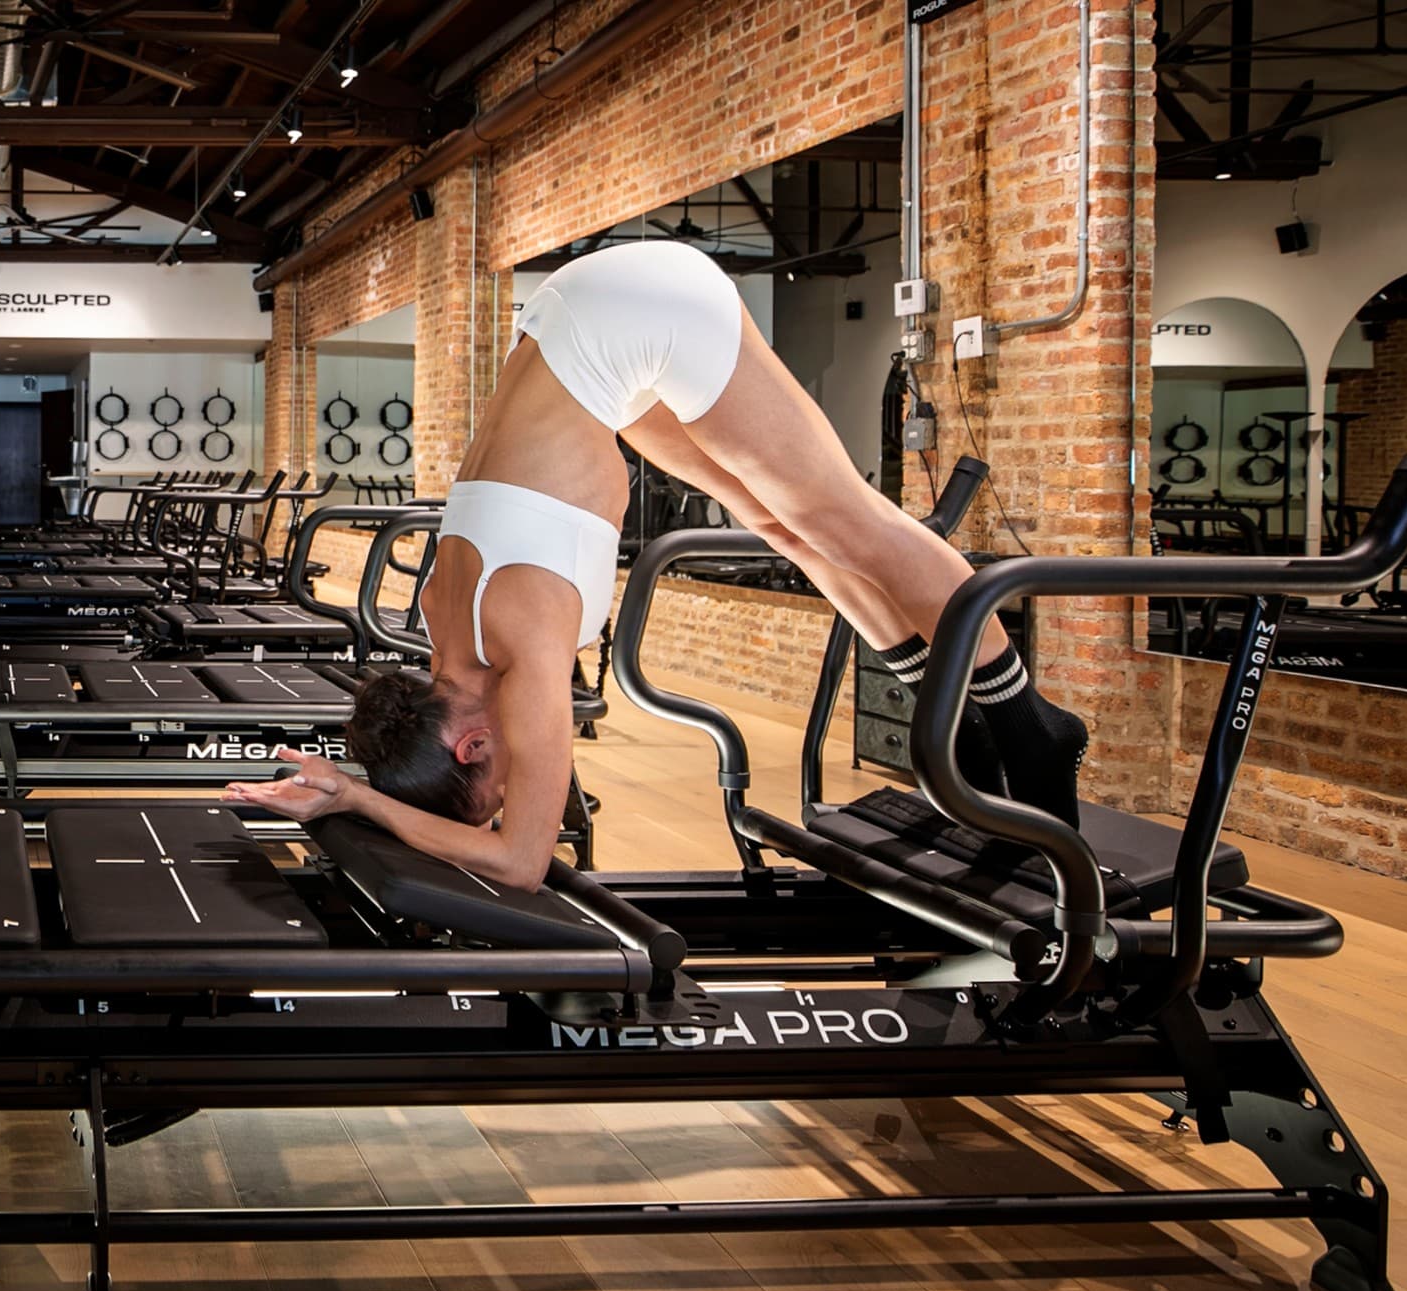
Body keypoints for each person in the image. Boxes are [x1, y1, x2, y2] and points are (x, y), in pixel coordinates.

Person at [224, 240, 1088, 889]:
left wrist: (358, 799)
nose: (524, 782)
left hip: (638, 316)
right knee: (784, 528)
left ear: (474, 743)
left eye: (497, 782)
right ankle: (967, 724)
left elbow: (520, 862)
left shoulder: (516, 653)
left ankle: (1028, 731)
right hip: (592, 328)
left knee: (845, 517)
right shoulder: (449, 639)